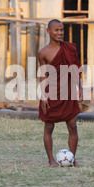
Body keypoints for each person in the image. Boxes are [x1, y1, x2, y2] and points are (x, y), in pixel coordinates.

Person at [37, 19, 83, 167]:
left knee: (73, 125)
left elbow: (75, 70)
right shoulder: (43, 52)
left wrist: (80, 88)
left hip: (68, 91)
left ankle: (72, 158)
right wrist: (44, 97)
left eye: (61, 30)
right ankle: (51, 160)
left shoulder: (69, 48)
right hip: (52, 92)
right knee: (49, 126)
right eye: (56, 30)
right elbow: (43, 75)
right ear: (48, 31)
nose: (60, 33)